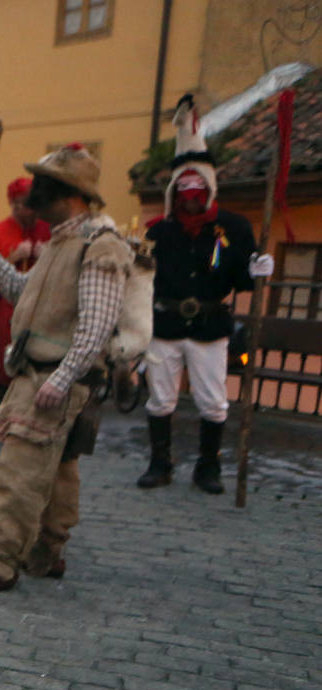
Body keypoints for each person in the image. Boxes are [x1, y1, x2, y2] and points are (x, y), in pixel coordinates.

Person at [0, 144, 132, 593]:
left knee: (22, 468)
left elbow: (96, 325)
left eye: (43, 191)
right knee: (59, 470)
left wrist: (62, 377)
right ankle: (47, 552)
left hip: (56, 380)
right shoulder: (61, 244)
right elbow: (20, 289)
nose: (33, 200)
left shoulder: (100, 247)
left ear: (70, 195)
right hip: (42, 374)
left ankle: (1, 558)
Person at [139, 94, 269, 494]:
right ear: (175, 192)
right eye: (184, 191)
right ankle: (160, 463)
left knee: (214, 402)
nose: (190, 198)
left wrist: (256, 270)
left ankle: (208, 468)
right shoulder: (158, 231)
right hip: (165, 323)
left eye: (197, 190)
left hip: (211, 325)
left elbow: (245, 282)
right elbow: (142, 279)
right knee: (160, 400)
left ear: (209, 189)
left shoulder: (235, 227)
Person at [0, 177, 51, 418]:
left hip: (38, 308)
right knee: (1, 360)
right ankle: (0, 412)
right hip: (4, 307)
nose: (20, 209)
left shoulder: (48, 231)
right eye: (15, 204)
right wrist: (12, 258)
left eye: (25, 204)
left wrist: (44, 256)